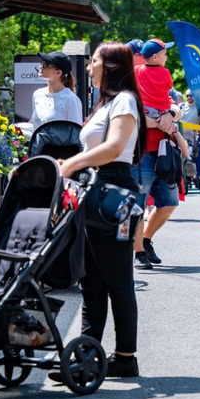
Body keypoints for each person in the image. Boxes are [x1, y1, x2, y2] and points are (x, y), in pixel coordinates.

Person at [57, 41, 144, 378]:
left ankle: (125, 358)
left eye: (93, 61)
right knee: (91, 280)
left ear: (109, 66)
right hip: (94, 190)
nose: (89, 66)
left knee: (118, 280)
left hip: (113, 192)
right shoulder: (106, 103)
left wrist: (72, 164)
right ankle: (86, 355)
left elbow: (115, 147)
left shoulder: (124, 101)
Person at [132, 37, 182, 270]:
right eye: (164, 53)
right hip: (141, 152)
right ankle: (138, 252)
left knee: (169, 202)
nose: (167, 57)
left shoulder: (141, 72)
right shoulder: (135, 76)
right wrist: (158, 122)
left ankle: (146, 240)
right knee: (138, 206)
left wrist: (170, 115)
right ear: (154, 57)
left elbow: (172, 103)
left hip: (163, 150)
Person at [28, 50, 83, 130]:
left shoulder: (71, 100)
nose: (40, 67)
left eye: (45, 65)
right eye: (41, 63)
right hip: (37, 142)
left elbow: (75, 133)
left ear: (58, 73)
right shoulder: (37, 94)